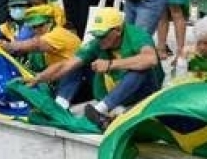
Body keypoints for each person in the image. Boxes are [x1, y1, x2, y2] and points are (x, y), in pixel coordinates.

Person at [29, 7, 163, 129]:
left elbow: (150, 59)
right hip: (109, 91)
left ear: (118, 30)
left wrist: (110, 64)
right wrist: (39, 78)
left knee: (140, 68)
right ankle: (59, 106)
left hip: (140, 93)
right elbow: (66, 65)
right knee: (76, 64)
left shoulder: (137, 35)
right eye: (96, 35)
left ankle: (100, 111)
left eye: (103, 35)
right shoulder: (97, 44)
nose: (99, 39)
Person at [0, 5, 83, 109]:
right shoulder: (42, 36)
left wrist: (12, 46)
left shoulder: (58, 33)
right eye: (34, 27)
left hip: (77, 80)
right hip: (55, 76)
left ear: (50, 22)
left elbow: (37, 44)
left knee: (72, 70)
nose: (37, 30)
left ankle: (60, 105)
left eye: (40, 25)